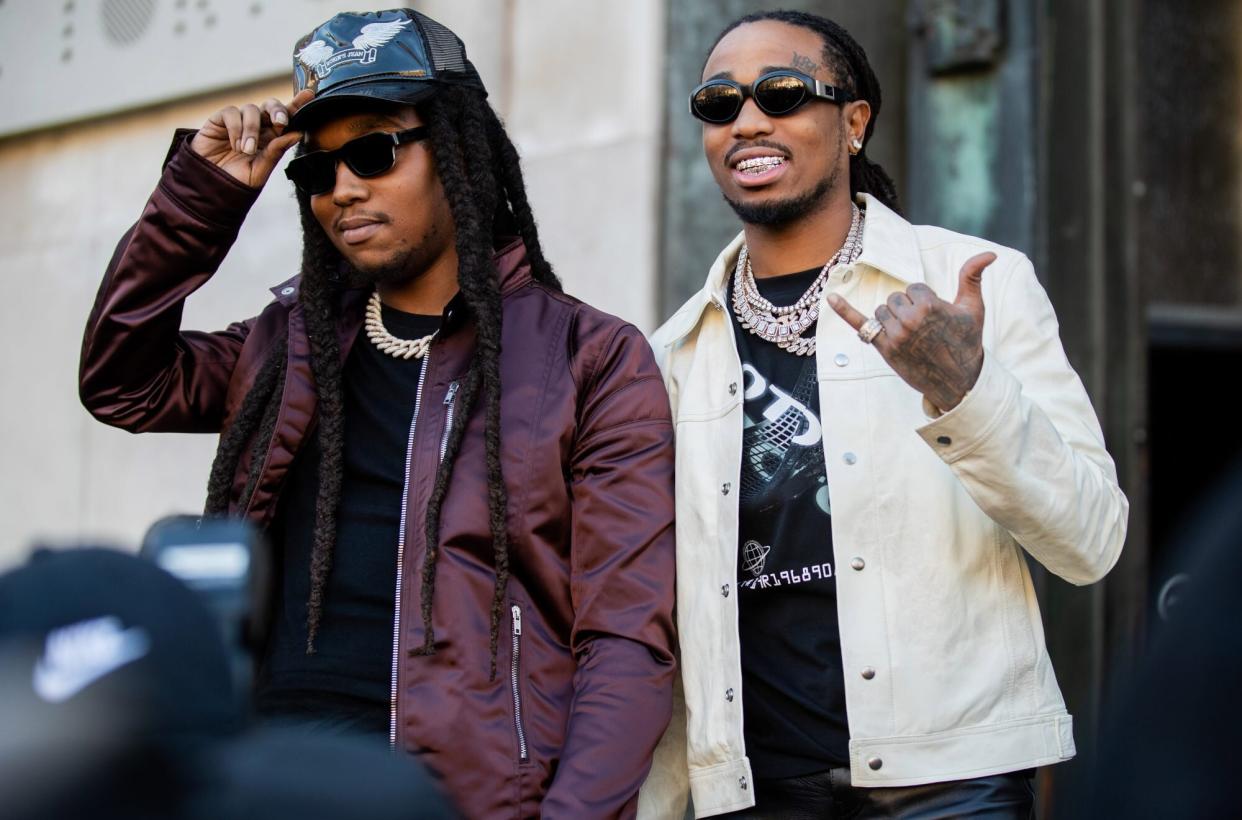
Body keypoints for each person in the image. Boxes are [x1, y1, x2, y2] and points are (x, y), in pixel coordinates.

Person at [79, 9, 677, 817]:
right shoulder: (284, 347)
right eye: (317, 171)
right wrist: (203, 195)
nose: (343, 188)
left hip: (457, 797)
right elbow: (123, 380)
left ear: (457, 151)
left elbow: (625, 638)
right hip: (266, 780)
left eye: (373, 151)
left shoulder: (588, 357)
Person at [638, 10, 1128, 818]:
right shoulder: (674, 355)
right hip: (759, 791)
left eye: (783, 92)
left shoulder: (980, 284)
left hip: (950, 785)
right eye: (719, 104)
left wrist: (965, 389)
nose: (748, 120)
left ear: (854, 121)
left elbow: (1092, 541)